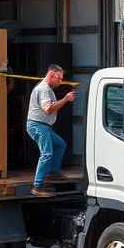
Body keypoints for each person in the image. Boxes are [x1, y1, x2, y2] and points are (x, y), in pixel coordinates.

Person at [26, 64, 76, 197]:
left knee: (60, 144)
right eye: (59, 78)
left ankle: (53, 173)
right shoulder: (44, 89)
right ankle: (37, 186)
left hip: (44, 126)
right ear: (52, 75)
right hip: (38, 125)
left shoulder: (47, 89)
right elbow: (48, 109)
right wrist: (65, 99)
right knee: (46, 153)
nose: (61, 82)